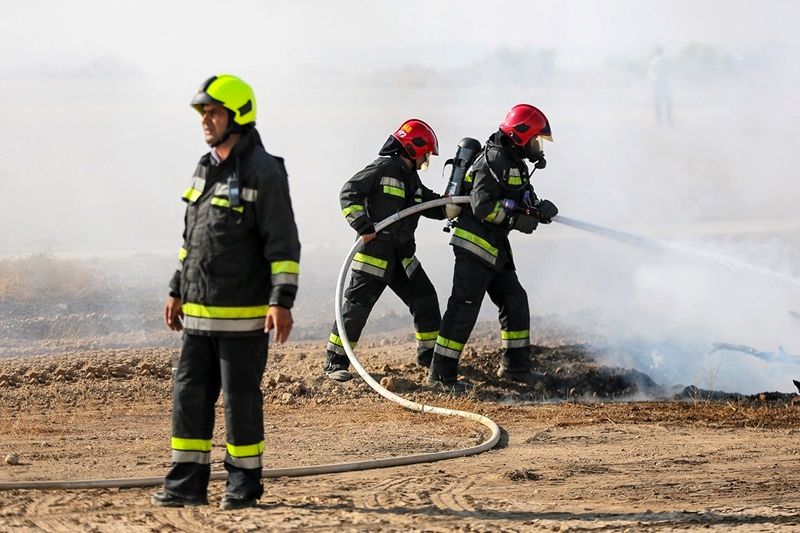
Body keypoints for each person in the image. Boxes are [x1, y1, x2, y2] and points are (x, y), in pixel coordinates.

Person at [151, 74, 301, 510]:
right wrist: (176, 289)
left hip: (242, 314)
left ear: (238, 116)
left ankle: (242, 487)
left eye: (213, 112)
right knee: (189, 395)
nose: (205, 120)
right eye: (203, 113)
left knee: (240, 402)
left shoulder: (264, 170)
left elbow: (284, 243)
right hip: (196, 314)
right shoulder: (205, 166)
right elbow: (191, 237)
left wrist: (281, 301)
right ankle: (186, 484)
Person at [427, 104, 558, 392]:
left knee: (514, 300)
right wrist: (516, 220)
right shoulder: (493, 160)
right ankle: (441, 375)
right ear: (522, 135)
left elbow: (522, 198)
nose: (538, 146)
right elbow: (482, 205)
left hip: (494, 248)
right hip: (474, 246)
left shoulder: (515, 163)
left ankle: (516, 368)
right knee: (464, 308)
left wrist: (540, 209)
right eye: (536, 139)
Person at [323, 119, 446, 381]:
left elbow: (424, 203)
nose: (426, 159)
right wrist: (361, 223)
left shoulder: (411, 178)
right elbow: (349, 192)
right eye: (425, 153)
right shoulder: (383, 168)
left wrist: (448, 206)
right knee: (355, 308)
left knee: (425, 299)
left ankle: (428, 357)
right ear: (413, 148)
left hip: (402, 257)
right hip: (375, 256)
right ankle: (335, 363)